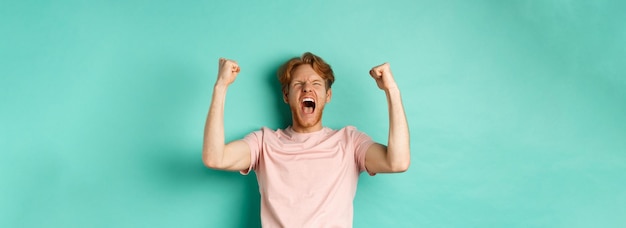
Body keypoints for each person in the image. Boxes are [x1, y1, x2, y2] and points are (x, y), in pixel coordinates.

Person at [202, 52, 410, 227]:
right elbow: (215, 158)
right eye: (299, 84)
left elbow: (397, 162)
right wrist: (221, 86)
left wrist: (392, 90)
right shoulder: (264, 142)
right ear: (286, 95)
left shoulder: (350, 142)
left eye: (316, 84)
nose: (307, 88)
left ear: (327, 96)